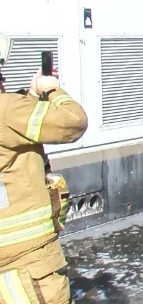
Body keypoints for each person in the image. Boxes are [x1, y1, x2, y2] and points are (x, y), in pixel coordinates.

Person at [0, 68, 88, 302]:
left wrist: (31, 94)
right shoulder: (6, 109)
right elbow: (73, 122)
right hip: (28, 261)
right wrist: (51, 89)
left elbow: (17, 127)